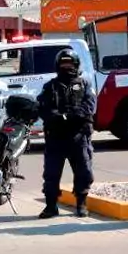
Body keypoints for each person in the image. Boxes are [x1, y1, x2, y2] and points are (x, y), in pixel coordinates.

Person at [36, 47, 96, 218]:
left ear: (76, 65)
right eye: (64, 64)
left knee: (84, 172)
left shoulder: (84, 85)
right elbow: (43, 108)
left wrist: (69, 116)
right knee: (51, 174)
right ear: (58, 65)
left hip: (79, 136)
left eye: (70, 64)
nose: (67, 67)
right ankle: (51, 206)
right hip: (56, 137)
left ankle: (81, 204)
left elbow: (89, 106)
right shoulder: (50, 86)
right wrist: (57, 117)